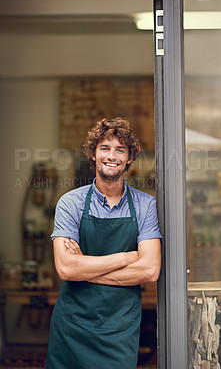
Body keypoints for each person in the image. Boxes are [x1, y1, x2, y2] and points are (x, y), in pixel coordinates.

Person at [45, 117, 162, 369]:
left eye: (121, 149)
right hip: (72, 327)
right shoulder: (70, 203)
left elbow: (150, 270)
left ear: (130, 158)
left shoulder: (145, 206)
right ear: (93, 154)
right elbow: (66, 269)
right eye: (105, 148)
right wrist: (127, 257)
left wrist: (84, 270)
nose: (113, 156)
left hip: (120, 328)